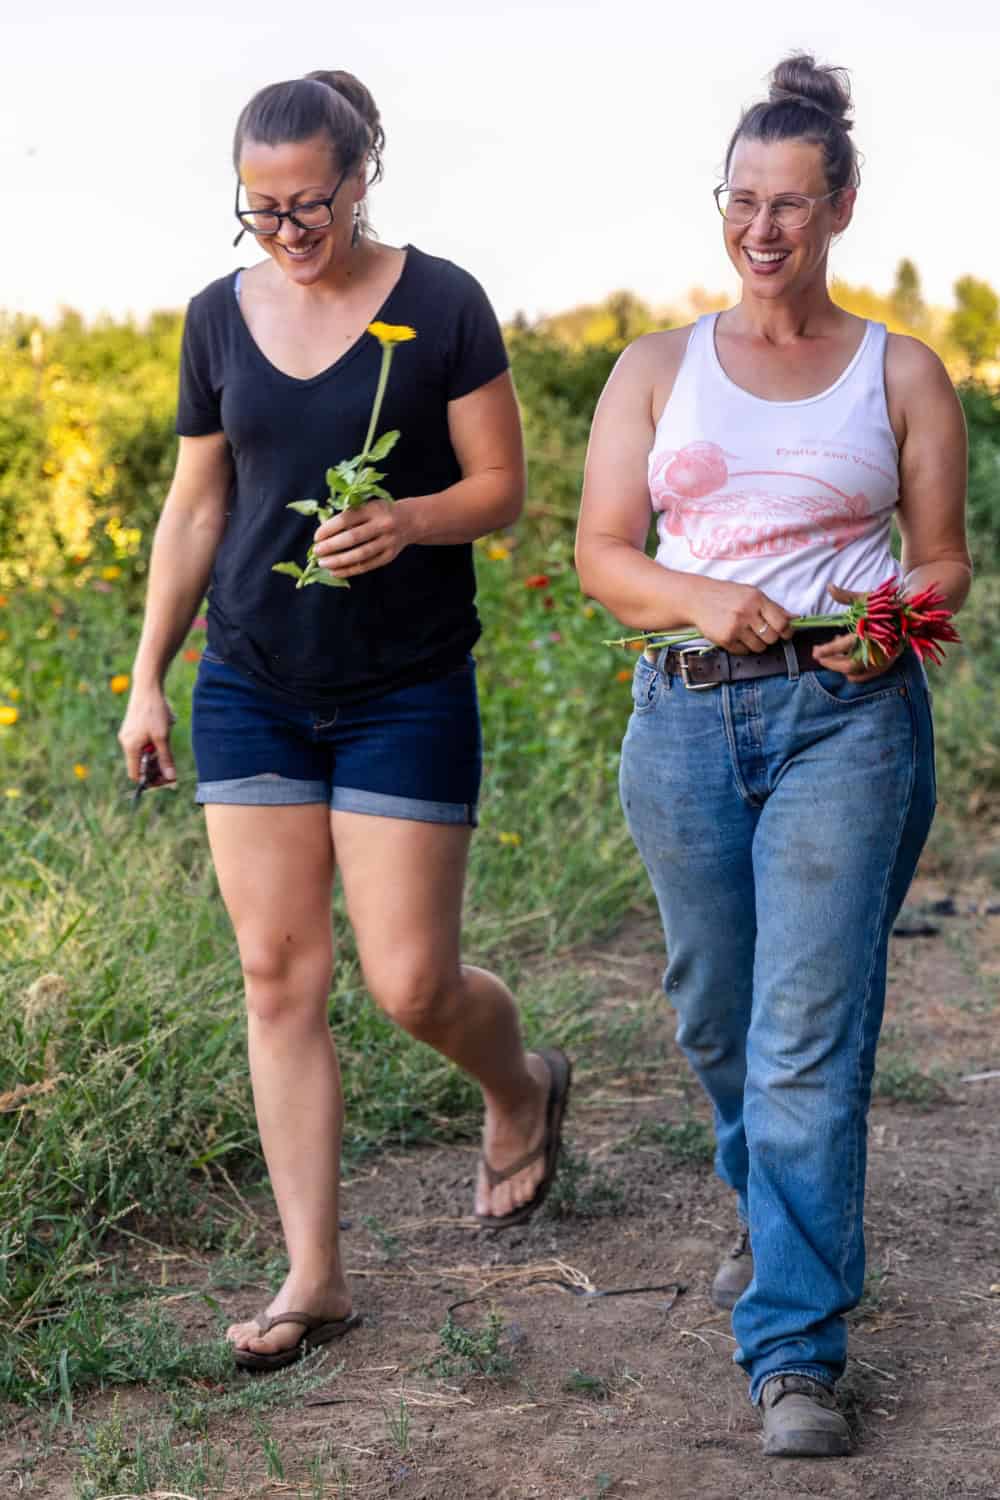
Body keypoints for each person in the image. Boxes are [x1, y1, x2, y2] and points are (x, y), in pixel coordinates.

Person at [118, 70, 570, 1373]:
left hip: (405, 686)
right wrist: (151, 672)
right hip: (251, 680)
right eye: (258, 208)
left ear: (361, 175)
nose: (284, 230)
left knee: (410, 981)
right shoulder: (217, 318)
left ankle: (519, 1084)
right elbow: (198, 506)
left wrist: (410, 517)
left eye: (306, 202)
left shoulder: (442, 305)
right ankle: (316, 1275)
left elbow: (501, 490)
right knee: (278, 976)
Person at [576, 53, 970, 1457]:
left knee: (805, 1036)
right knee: (715, 1017)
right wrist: (699, 599)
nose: (763, 227)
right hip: (682, 716)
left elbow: (942, 568)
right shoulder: (656, 369)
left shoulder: (903, 373)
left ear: (841, 207)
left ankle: (795, 1344)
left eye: (792, 203)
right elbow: (605, 557)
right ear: (722, 207)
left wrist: (887, 628)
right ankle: (780, 1211)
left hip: (844, 724)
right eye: (743, 200)